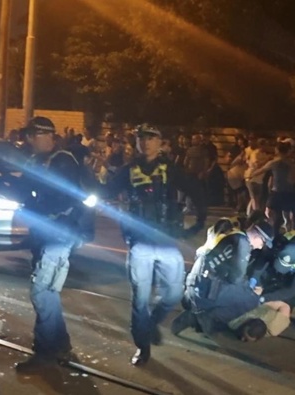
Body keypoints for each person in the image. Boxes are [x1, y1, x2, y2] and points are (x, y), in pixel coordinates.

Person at [105, 124, 190, 366]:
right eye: (142, 138)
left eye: (152, 138)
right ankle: (143, 346)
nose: (146, 143)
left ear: (161, 142)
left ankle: (152, 324)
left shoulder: (171, 169)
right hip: (139, 243)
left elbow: (194, 187)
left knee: (174, 293)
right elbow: (107, 189)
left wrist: (200, 218)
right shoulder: (128, 169)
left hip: (166, 242)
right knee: (140, 299)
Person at [14, 117, 84, 373]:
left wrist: (34, 205)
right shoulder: (36, 160)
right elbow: (25, 189)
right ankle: (60, 343)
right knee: (48, 293)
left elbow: (64, 199)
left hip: (59, 235)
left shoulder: (62, 161)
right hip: (44, 235)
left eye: (31, 136)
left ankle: (45, 353)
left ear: (45, 135)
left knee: (41, 292)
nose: (27, 141)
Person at [171, 218, 259, 336]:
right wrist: (249, 286)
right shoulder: (242, 242)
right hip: (205, 290)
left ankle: (199, 313)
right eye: (262, 242)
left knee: (232, 291)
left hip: (193, 287)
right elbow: (235, 278)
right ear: (258, 236)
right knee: (251, 299)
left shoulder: (219, 238)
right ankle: (202, 318)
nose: (259, 247)